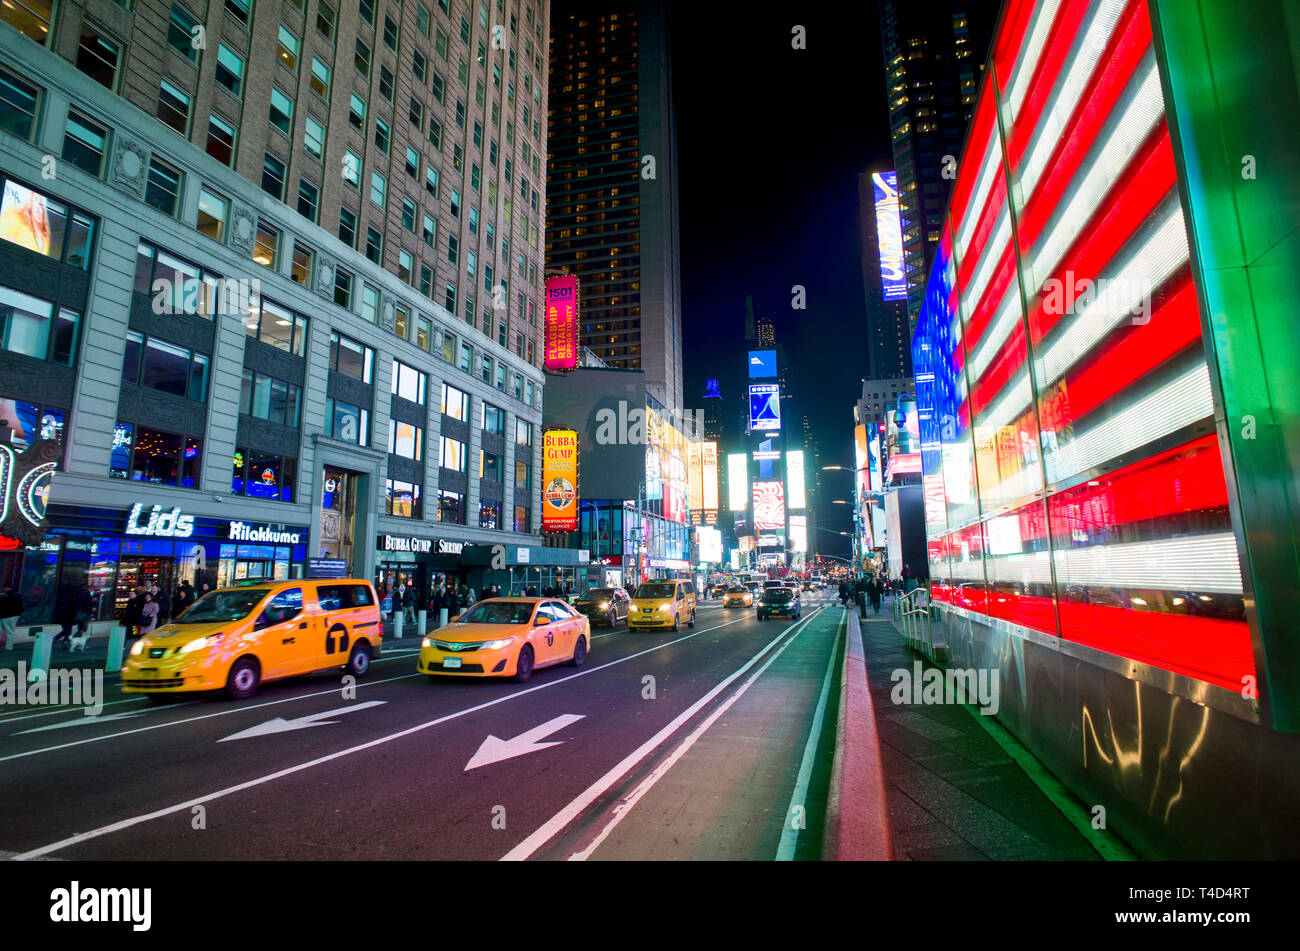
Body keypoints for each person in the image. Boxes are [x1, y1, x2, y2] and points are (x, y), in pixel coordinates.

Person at [0, 583, 22, 651]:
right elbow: (21, 605)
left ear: (7, 588)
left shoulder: (7, 595)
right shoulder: (17, 595)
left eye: (4, 588)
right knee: (10, 632)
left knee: (9, 632)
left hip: (6, 615)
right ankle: (9, 647)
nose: (3, 589)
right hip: (14, 615)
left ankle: (9, 647)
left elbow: (2, 604)